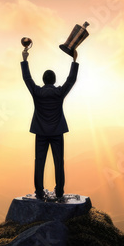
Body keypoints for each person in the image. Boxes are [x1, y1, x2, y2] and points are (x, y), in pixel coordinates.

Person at [21, 46, 78, 201]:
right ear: (54, 81)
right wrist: (74, 60)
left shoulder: (37, 93)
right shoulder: (59, 93)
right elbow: (71, 80)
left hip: (40, 133)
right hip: (57, 133)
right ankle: (59, 192)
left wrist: (25, 60)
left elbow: (27, 79)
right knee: (59, 163)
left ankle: (39, 192)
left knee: (39, 162)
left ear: (44, 80)